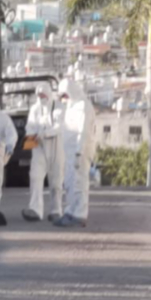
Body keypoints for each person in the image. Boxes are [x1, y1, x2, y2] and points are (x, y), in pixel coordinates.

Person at [53, 79, 96, 228]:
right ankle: (70, 211)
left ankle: (80, 214)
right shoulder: (71, 106)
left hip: (80, 153)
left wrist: (79, 152)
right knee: (69, 183)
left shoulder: (84, 106)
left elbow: (83, 132)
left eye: (66, 95)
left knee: (79, 183)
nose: (64, 98)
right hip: (69, 152)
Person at [23, 82, 64, 222]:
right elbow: (29, 126)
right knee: (35, 176)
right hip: (39, 148)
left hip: (56, 147)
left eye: (43, 94)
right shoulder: (35, 109)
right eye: (38, 95)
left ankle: (56, 210)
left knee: (56, 181)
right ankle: (35, 209)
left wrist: (45, 133)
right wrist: (33, 135)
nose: (41, 97)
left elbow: (60, 126)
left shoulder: (59, 107)